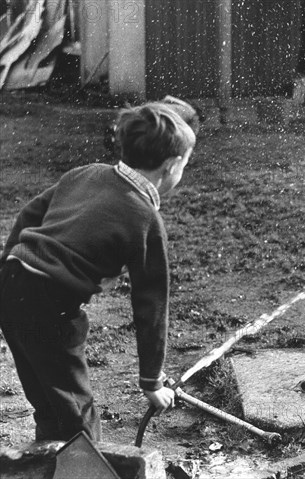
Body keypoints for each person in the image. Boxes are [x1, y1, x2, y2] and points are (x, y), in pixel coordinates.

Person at [0, 102, 196, 442]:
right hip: (51, 305)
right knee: (76, 412)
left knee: (47, 396)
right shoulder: (145, 218)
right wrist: (151, 381)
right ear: (171, 166)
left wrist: (7, 265)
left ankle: (50, 460)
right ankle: (82, 467)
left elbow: (29, 216)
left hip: (11, 285)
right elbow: (151, 304)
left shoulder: (85, 172)